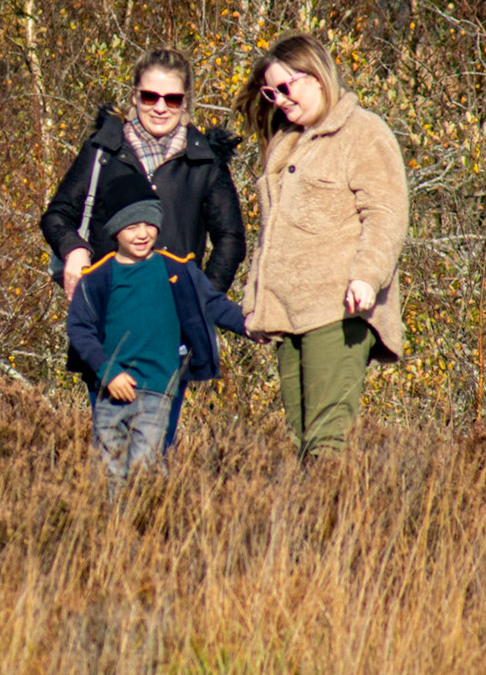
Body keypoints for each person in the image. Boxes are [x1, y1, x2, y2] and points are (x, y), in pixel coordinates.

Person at [238, 32, 410, 461]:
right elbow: (270, 235)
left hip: (337, 312)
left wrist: (366, 277)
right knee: (300, 442)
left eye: (286, 86)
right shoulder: (284, 143)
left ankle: (333, 522)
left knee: (327, 441)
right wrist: (254, 301)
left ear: (317, 76)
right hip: (288, 316)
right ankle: (311, 523)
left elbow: (386, 214)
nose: (279, 99)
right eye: (270, 91)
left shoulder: (363, 131)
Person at [66, 171, 249, 494]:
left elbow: (214, 304)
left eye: (149, 223)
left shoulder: (177, 269)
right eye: (132, 225)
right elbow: (79, 329)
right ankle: (110, 535)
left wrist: (253, 325)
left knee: (146, 470)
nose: (142, 233)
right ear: (114, 230)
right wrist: (108, 372)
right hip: (111, 390)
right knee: (107, 472)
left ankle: (147, 530)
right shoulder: (97, 277)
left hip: (159, 390)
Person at [40, 48, 246, 299]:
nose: (160, 108)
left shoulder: (204, 161)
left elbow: (230, 238)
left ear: (185, 102)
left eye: (172, 99)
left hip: (174, 317)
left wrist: (202, 301)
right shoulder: (103, 150)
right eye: (150, 97)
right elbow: (57, 215)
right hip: (107, 311)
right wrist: (74, 249)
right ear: (134, 96)